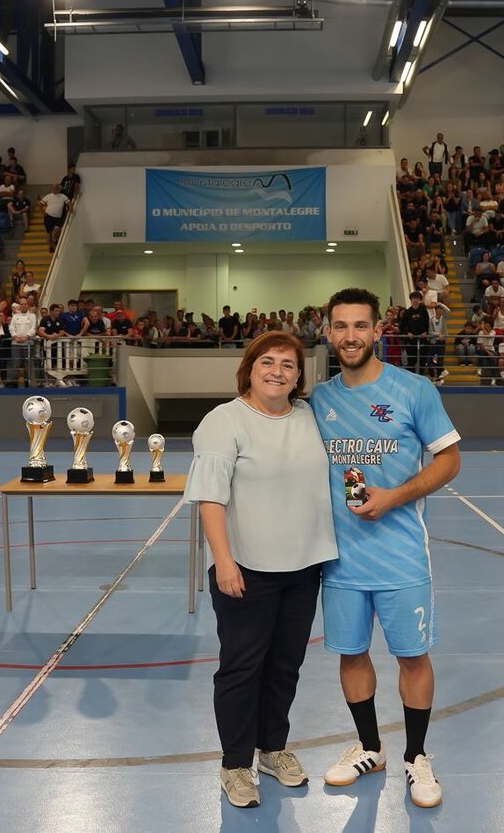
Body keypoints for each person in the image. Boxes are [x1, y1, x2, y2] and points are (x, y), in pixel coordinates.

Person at [310, 287, 461, 809]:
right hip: (340, 560)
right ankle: (370, 747)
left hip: (400, 556)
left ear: (378, 331)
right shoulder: (319, 400)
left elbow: (449, 461)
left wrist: (396, 496)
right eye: (340, 326)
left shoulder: (414, 390)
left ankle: (416, 757)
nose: (350, 336)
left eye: (360, 326)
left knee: (412, 657)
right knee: (351, 654)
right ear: (328, 333)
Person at [184, 331, 338, 809]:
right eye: (267, 362)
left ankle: (271, 749)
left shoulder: (309, 417)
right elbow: (210, 497)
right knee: (241, 668)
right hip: (246, 569)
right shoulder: (223, 421)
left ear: (298, 376)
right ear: (249, 368)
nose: (277, 371)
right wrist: (224, 562)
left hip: (303, 567)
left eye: (288, 365)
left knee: (285, 666)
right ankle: (235, 764)